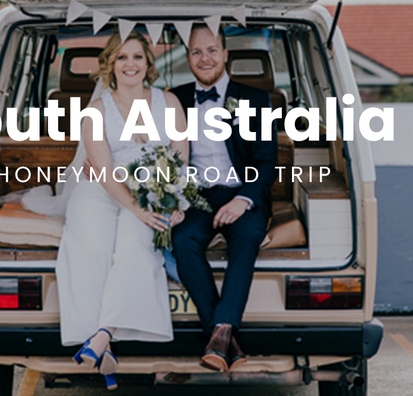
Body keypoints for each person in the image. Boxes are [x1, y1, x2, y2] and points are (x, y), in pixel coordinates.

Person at [55, 30, 189, 390]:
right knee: (92, 244)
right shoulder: (97, 110)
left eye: (137, 57)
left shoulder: (169, 102)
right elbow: (100, 168)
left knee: (135, 246)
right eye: (122, 58)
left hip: (152, 191)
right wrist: (136, 208)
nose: (130, 64)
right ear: (110, 66)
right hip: (101, 189)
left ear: (148, 64)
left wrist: (170, 201)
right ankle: (104, 342)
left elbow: (179, 157)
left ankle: (101, 337)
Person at [171, 25, 279, 372]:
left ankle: (217, 333)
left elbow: (266, 162)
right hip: (196, 197)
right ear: (188, 58)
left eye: (212, 50)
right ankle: (224, 335)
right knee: (182, 240)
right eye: (196, 52)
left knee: (247, 237)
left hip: (242, 194)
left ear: (226, 54)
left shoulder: (256, 99)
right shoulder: (174, 99)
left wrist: (242, 200)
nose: (205, 58)